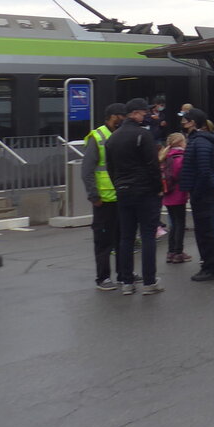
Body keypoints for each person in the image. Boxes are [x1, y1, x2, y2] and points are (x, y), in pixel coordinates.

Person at [105, 97, 164, 295]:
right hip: (145, 191)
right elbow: (152, 165)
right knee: (147, 235)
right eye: (143, 112)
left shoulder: (112, 138)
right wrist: (158, 187)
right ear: (135, 113)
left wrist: (118, 185)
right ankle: (149, 282)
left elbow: (110, 168)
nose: (145, 115)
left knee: (126, 237)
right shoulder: (142, 135)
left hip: (122, 191)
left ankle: (127, 282)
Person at [82, 102, 126, 291]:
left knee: (123, 239)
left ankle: (125, 274)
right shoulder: (98, 136)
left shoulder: (120, 135)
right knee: (104, 242)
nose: (125, 119)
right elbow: (87, 170)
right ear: (114, 116)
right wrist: (94, 195)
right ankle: (103, 278)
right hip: (104, 200)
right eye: (122, 116)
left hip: (121, 197)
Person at [180, 107, 214, 282]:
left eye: (185, 119)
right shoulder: (200, 140)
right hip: (204, 193)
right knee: (206, 232)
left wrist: (197, 192)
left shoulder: (200, 142)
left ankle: (211, 267)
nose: (183, 122)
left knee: (205, 232)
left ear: (193, 122)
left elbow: (204, 171)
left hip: (203, 195)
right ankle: (210, 265)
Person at [160, 132, 191, 263]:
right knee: (180, 224)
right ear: (180, 143)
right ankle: (178, 252)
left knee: (173, 223)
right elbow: (183, 176)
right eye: (184, 141)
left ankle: (171, 251)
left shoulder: (165, 157)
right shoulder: (180, 158)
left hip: (167, 195)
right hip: (178, 194)